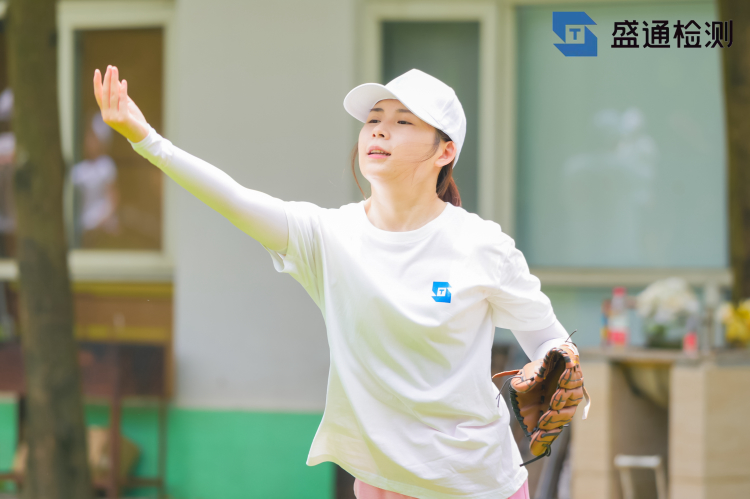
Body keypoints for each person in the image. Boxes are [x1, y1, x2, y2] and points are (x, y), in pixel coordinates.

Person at [94, 64, 581, 499]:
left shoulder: (482, 245)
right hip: (380, 483)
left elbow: (549, 341)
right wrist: (147, 140)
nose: (379, 129)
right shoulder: (329, 237)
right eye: (374, 119)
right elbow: (236, 200)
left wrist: (557, 365)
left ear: (444, 151)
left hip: (476, 485)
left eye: (403, 121)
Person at [70, 113, 120, 247]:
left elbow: (113, 200)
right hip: (83, 229)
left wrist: (99, 223)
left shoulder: (106, 166)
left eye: (93, 137)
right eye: (88, 136)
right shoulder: (78, 170)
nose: (89, 141)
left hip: (102, 231)